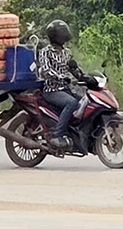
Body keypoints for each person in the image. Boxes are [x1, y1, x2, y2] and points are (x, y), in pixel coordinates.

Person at [36, 20, 82, 152]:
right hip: (52, 90)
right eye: (62, 34)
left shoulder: (66, 52)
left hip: (66, 89)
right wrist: (62, 77)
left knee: (84, 103)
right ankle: (58, 134)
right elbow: (46, 70)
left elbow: (74, 68)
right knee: (71, 103)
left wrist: (83, 77)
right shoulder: (46, 52)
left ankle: (73, 134)